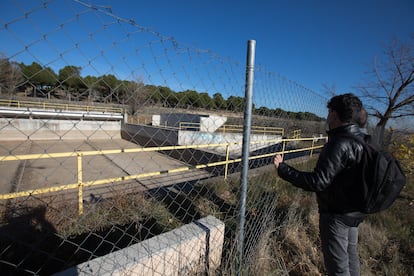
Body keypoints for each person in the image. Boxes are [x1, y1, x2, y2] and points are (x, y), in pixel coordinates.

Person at [273, 93, 367, 276]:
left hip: (337, 214)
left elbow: (318, 182)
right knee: (351, 254)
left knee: (338, 266)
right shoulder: (362, 139)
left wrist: (283, 169)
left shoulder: (338, 143)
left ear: (334, 114)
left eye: (329, 112)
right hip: (355, 210)